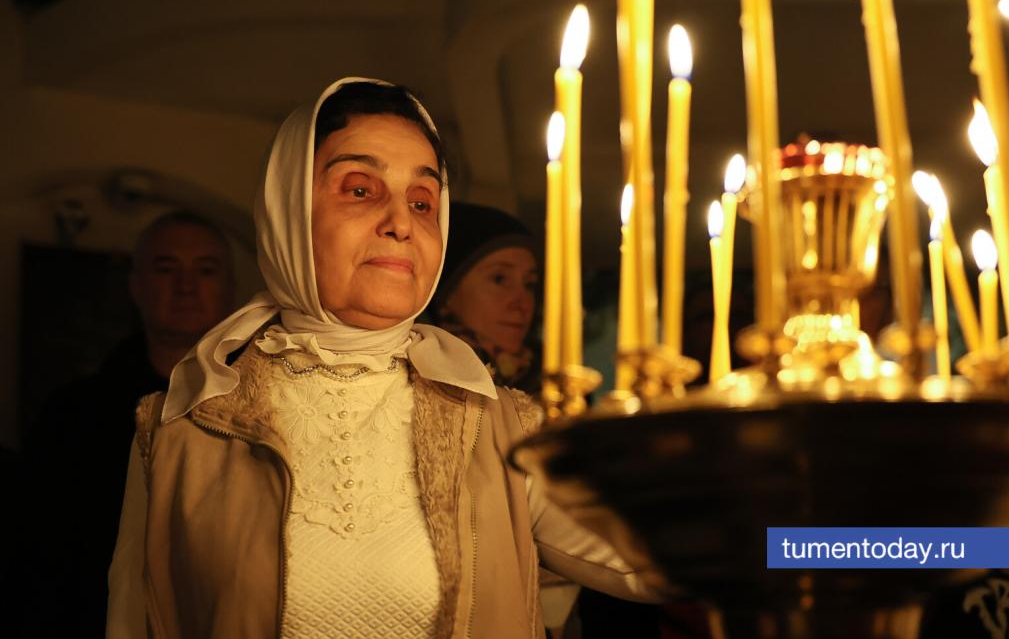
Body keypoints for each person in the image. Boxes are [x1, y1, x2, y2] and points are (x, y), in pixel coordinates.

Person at [106, 78, 660, 639]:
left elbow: (660, 562)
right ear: (288, 212)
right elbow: (131, 620)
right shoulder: (181, 432)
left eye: (422, 202)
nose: (401, 222)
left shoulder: (498, 427)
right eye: (360, 189)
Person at [18, 211, 235, 639]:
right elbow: (39, 556)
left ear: (230, 289)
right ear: (136, 286)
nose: (186, 286)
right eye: (166, 268)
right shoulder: (74, 414)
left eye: (205, 270)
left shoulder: (260, 410)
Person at [426, 201, 540, 392]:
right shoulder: (413, 381)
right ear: (448, 291)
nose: (523, 305)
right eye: (499, 279)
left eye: (529, 284)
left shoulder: (554, 388)